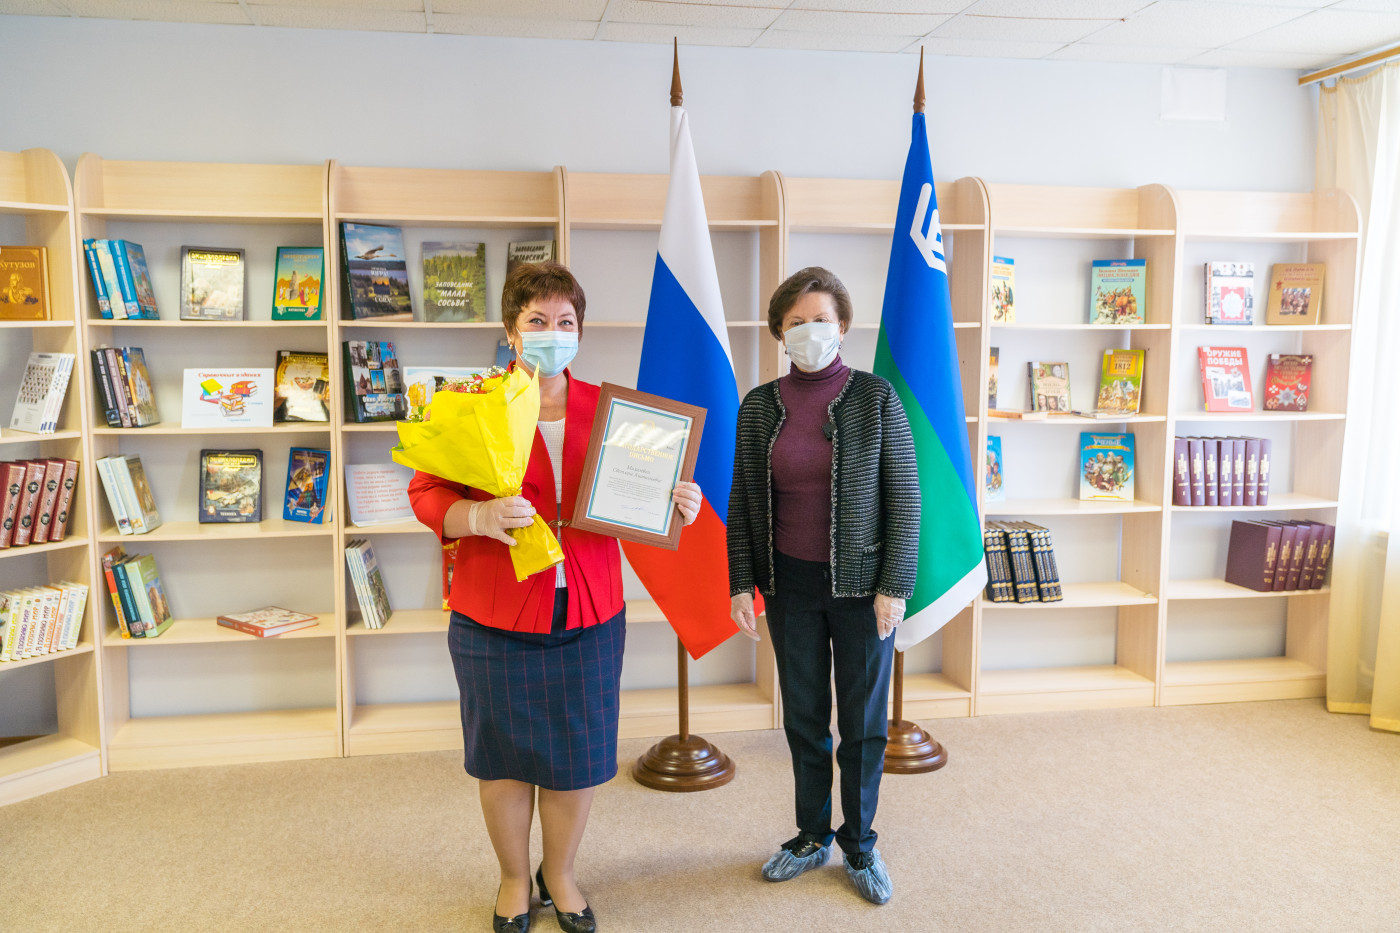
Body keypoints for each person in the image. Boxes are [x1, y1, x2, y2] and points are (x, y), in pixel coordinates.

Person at [408, 262, 703, 933]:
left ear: (580, 331)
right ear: (512, 331)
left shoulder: (618, 411)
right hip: (494, 611)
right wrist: (475, 516)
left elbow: (641, 500)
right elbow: (425, 492)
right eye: (537, 320)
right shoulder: (471, 403)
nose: (552, 332)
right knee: (503, 760)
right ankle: (515, 878)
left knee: (577, 759)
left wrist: (677, 503)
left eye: (565, 321)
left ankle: (560, 873)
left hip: (591, 611)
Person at [727, 266, 920, 906]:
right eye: (797, 321)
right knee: (806, 718)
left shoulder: (875, 398)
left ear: (843, 326)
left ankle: (859, 843)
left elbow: (906, 500)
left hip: (865, 589)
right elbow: (742, 499)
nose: (810, 330)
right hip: (789, 585)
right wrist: (741, 582)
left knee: (863, 724)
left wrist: (895, 585)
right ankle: (812, 835)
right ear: (780, 333)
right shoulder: (759, 405)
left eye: (822, 319)